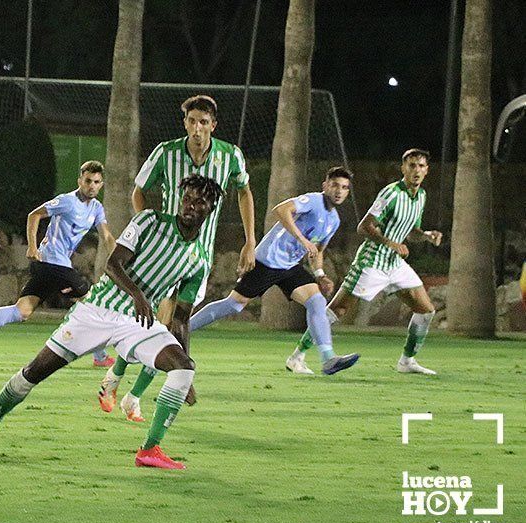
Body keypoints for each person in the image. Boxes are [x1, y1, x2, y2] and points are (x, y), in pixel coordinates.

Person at [0, 174, 223, 470]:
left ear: (211, 209)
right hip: (97, 310)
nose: (190, 206)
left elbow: (182, 319)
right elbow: (114, 263)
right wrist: (137, 294)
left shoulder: (199, 259)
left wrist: (185, 358)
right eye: (187, 199)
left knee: (184, 369)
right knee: (35, 371)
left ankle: (149, 450)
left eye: (200, 202)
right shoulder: (150, 221)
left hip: (137, 323)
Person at [100, 168, 359, 420]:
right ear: (325, 185)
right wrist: (301, 239)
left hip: (290, 268)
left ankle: (327, 358)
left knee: (316, 301)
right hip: (267, 261)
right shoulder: (312, 201)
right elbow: (281, 210)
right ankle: (182, 327)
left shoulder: (333, 220)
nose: (339, 191)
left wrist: (320, 273)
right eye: (335, 185)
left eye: (345, 188)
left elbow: (318, 249)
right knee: (233, 305)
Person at [101, 95, 257, 405]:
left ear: (213, 125)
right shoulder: (166, 153)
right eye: (191, 121)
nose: (197, 128)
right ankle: (167, 381)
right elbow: (139, 192)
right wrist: (149, 230)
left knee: (172, 321)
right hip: (166, 253)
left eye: (203, 122)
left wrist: (249, 241)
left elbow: (244, 192)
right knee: (166, 322)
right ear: (184, 123)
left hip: (199, 255)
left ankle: (122, 380)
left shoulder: (230, 156)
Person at [286, 149, 444, 375]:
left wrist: (427, 235)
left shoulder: (421, 196)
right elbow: (365, 226)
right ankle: (297, 356)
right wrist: (389, 242)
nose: (416, 170)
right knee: (338, 310)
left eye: (420, 166)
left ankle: (407, 361)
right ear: (403, 168)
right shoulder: (391, 193)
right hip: (372, 261)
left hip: (394, 264)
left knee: (426, 310)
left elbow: (412, 231)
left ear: (427, 170)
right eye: (411, 165)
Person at [0, 161, 118, 368]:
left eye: (96, 182)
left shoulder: (96, 208)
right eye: (87, 181)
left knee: (22, 311)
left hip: (56, 266)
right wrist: (32, 247)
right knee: (90, 300)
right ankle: (99, 356)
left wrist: (120, 257)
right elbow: (35, 215)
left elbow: (107, 236)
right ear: (80, 181)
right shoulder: (67, 201)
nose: (91, 186)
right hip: (51, 262)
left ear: (101, 184)